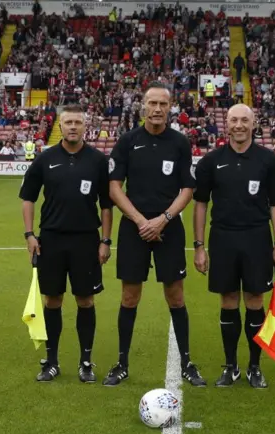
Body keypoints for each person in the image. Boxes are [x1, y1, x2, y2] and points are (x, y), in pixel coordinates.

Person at [103, 81, 206, 387]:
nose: (158, 109)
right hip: (134, 229)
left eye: (163, 104)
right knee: (129, 296)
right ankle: (121, 362)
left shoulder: (180, 143)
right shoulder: (127, 141)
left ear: (170, 107)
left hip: (169, 228)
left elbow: (188, 189)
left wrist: (162, 220)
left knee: (175, 295)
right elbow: (114, 187)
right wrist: (140, 221)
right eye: (153, 104)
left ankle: (187, 361)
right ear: (143, 106)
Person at [19, 104, 113, 383]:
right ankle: (52, 361)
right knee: (53, 300)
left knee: (85, 300)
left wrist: (105, 240)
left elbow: (107, 205)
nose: (73, 126)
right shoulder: (45, 159)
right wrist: (29, 235)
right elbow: (28, 198)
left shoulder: (97, 160)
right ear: (60, 124)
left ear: (86, 126)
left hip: (86, 240)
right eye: (68, 122)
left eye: (78, 122)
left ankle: (86, 362)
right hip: (51, 239)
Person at [193, 104, 275, 388]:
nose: (239, 125)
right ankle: (230, 365)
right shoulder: (211, 161)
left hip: (257, 237)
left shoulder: (268, 160)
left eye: (244, 120)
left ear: (253, 123)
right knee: (228, 300)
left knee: (255, 301)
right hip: (222, 238)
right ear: (226, 124)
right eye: (234, 120)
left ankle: (254, 367)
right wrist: (199, 245)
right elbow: (200, 205)